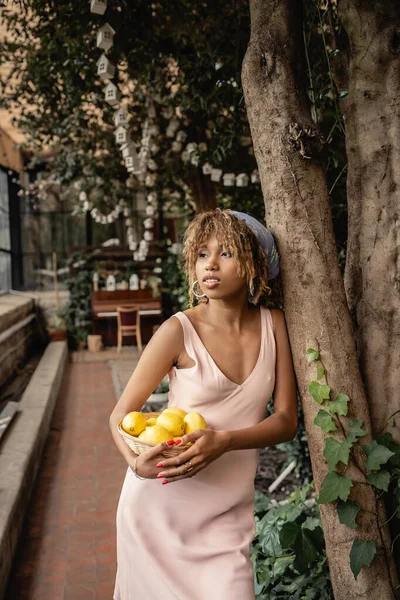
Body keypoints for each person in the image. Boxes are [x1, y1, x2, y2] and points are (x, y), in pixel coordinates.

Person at [110, 208, 297, 600]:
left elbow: (285, 421)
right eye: (201, 254)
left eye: (226, 253)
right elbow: (119, 416)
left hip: (227, 518)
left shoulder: (274, 323)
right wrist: (135, 464)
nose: (210, 263)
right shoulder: (178, 331)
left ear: (253, 265)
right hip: (160, 508)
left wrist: (226, 440)